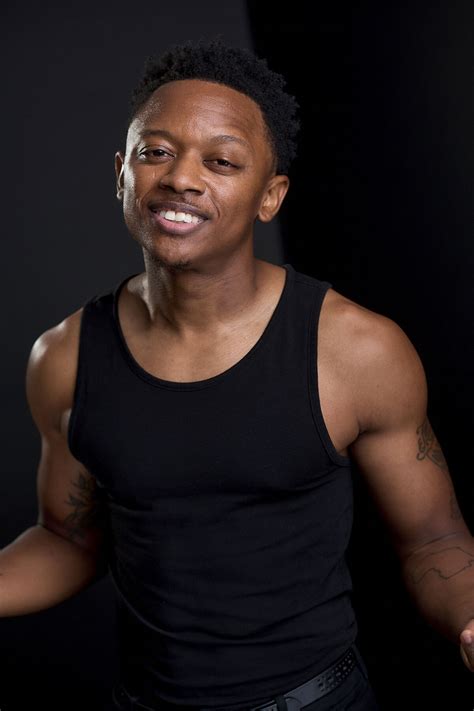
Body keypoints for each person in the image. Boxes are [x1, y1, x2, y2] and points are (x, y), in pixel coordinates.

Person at [1, 37, 473, 711]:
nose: (181, 178)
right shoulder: (65, 357)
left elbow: (435, 540)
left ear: (269, 196)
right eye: (155, 152)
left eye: (220, 161)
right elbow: (67, 539)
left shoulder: (356, 350)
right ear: (121, 174)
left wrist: (469, 619)